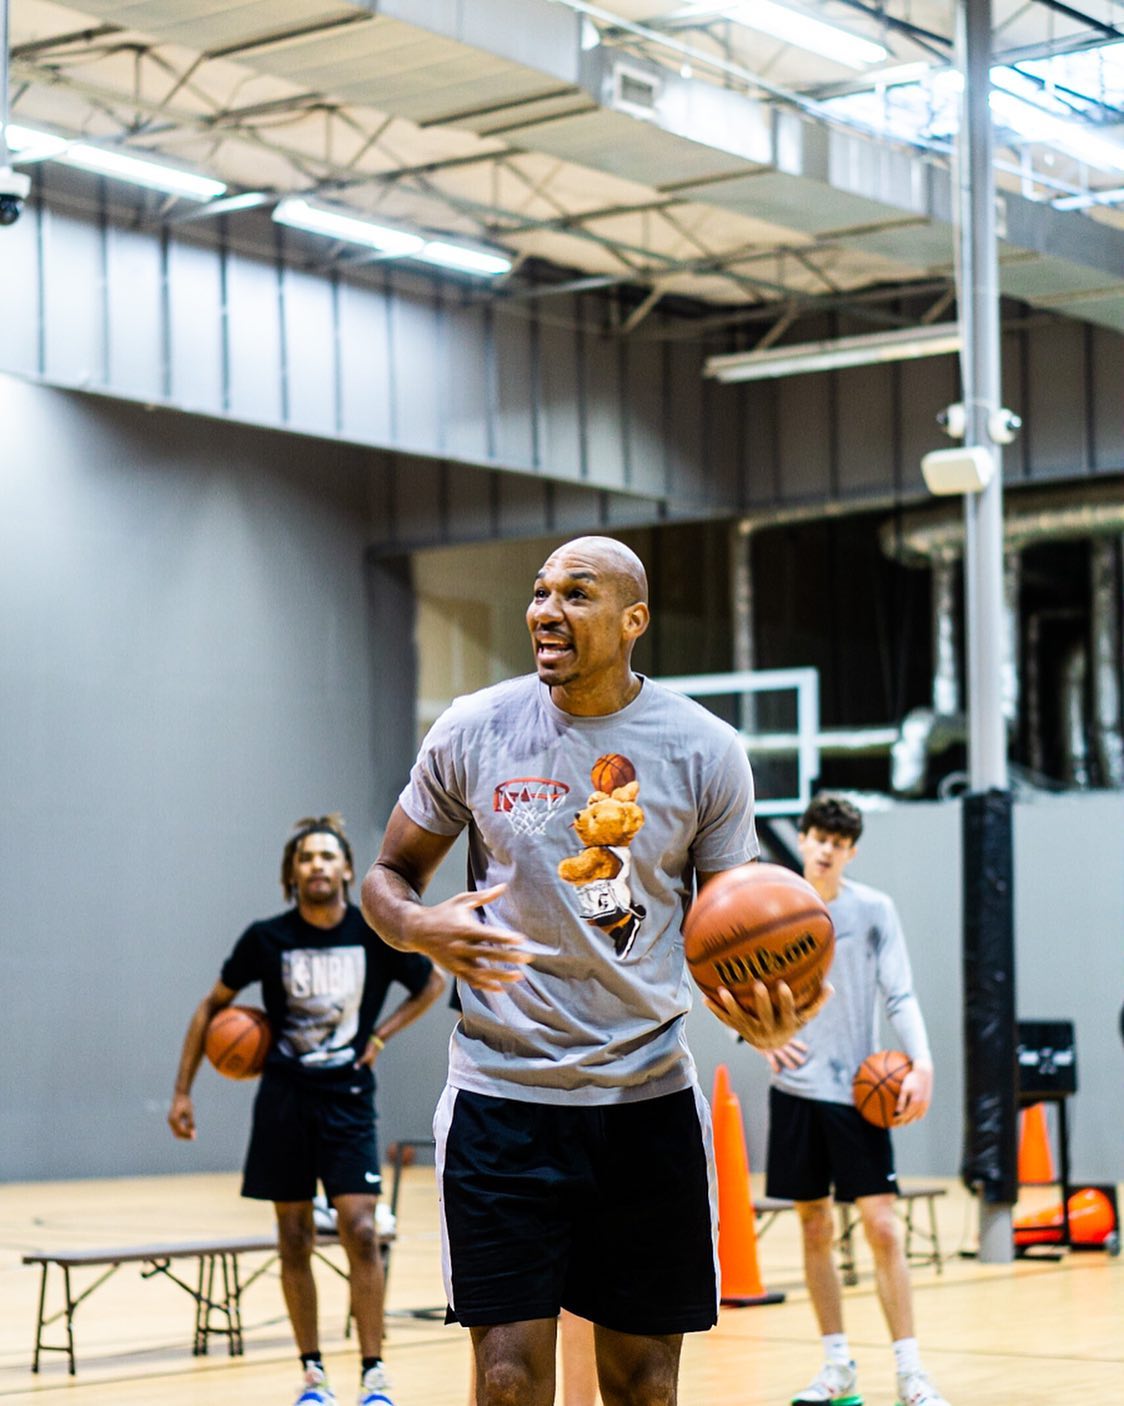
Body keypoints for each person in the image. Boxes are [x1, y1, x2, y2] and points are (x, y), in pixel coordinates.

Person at [359, 536, 823, 1406]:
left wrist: (764, 1010)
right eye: (540, 593)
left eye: (576, 594)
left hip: (644, 1103)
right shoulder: (475, 726)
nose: (546, 611)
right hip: (502, 1098)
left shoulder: (705, 749)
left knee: (645, 1385)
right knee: (506, 1380)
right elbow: (385, 879)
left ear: (633, 619)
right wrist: (421, 928)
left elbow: (735, 928)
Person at [169, 814, 445, 1406]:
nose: (316, 865)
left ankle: (374, 1375)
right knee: (293, 1239)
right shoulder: (265, 939)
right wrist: (183, 1092)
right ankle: (314, 1375)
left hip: (346, 1099)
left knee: (363, 1229)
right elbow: (208, 1008)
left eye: (327, 856)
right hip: (284, 1101)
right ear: (291, 874)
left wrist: (379, 1038)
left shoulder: (373, 931)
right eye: (305, 858)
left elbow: (430, 984)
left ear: (348, 869)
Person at [760, 793, 948, 1406]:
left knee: (883, 1228)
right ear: (806, 838)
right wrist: (762, 1041)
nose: (824, 849)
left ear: (850, 852)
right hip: (795, 1090)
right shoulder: (776, 906)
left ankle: (911, 1370)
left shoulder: (874, 911)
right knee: (814, 1226)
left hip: (857, 1091)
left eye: (837, 844)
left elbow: (901, 994)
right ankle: (837, 1366)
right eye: (817, 837)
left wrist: (921, 1062)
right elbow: (741, 977)